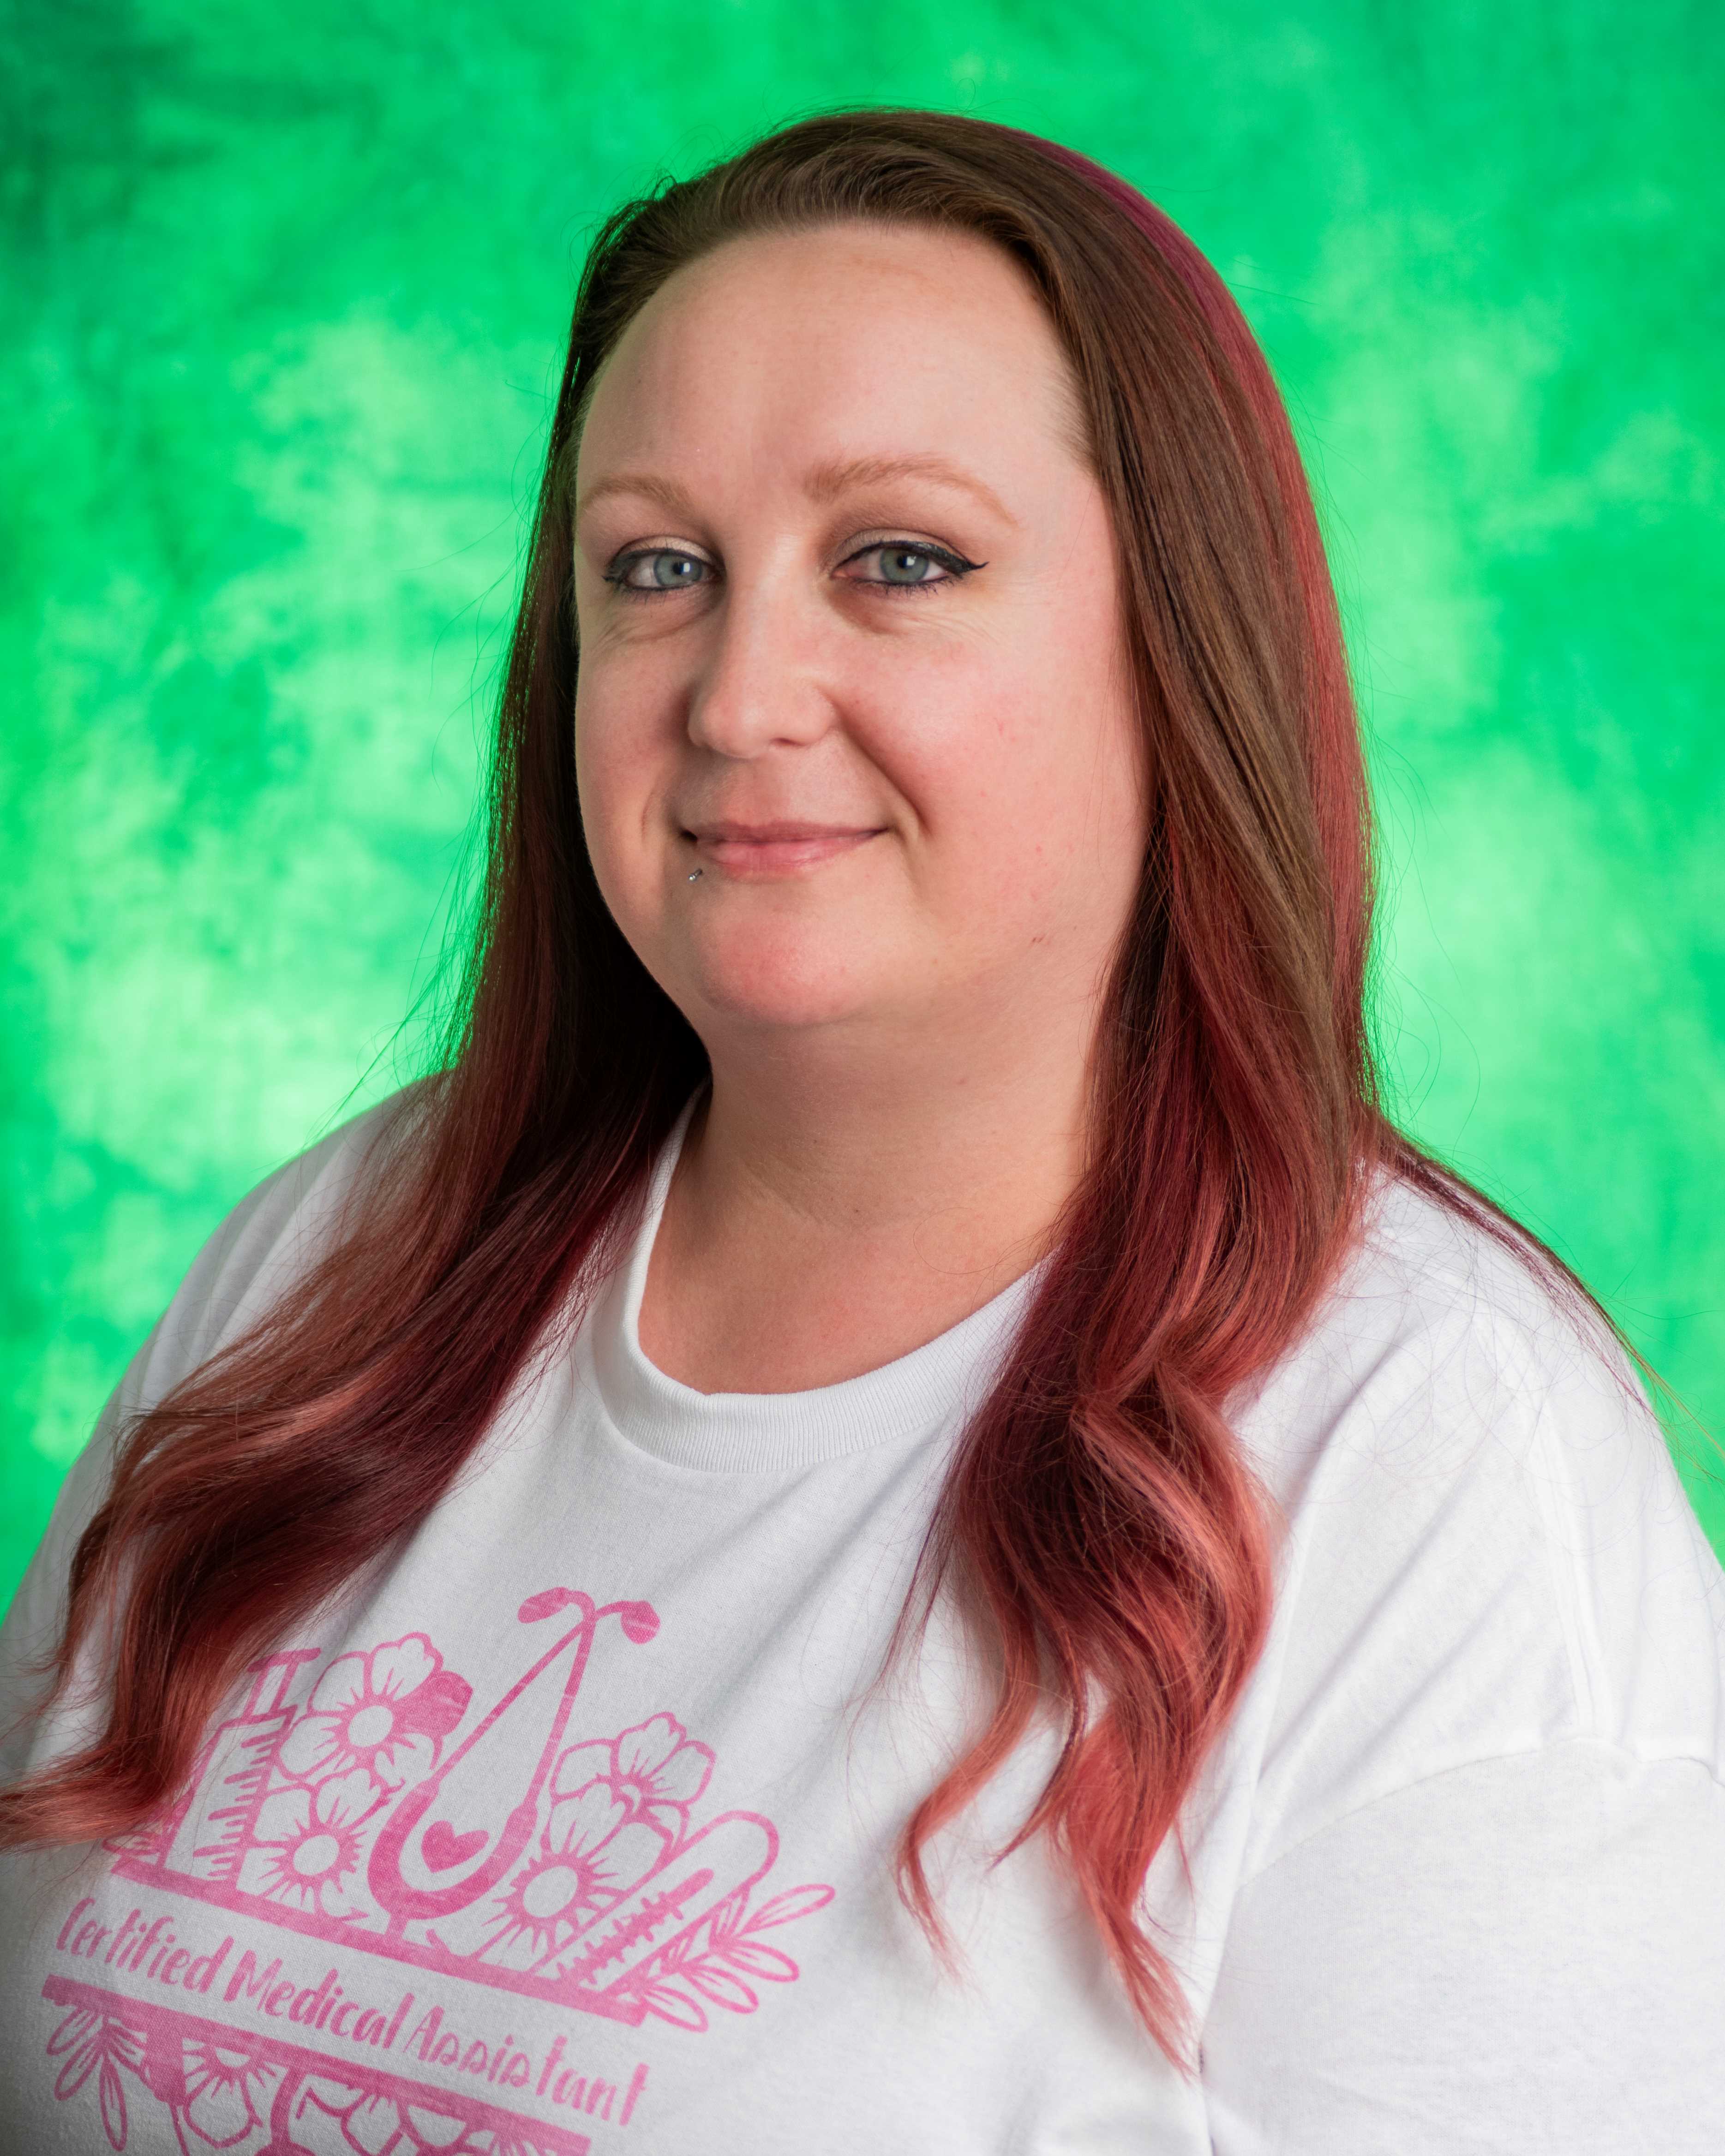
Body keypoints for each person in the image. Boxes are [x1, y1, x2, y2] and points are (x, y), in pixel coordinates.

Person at [1, 108, 1720, 2154]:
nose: (738, 692)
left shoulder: (1425, 1450)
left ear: (1175, 650)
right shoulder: (337, 1251)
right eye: (658, 567)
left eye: (899, 558)